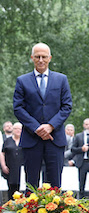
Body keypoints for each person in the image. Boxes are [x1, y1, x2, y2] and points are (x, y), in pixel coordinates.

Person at [13, 42, 72, 188]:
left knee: (55, 185)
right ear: (32, 58)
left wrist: (50, 126)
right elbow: (18, 108)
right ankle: (31, 211)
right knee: (31, 184)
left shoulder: (61, 79)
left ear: (50, 58)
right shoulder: (22, 81)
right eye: (37, 56)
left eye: (44, 57)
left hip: (55, 139)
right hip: (31, 139)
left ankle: (56, 212)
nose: (41, 60)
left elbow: (67, 106)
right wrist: (37, 128)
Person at [0, 122, 24, 199]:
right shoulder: (7, 141)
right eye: (15, 128)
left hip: (22, 169)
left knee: (23, 188)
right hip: (10, 169)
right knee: (11, 189)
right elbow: (2, 153)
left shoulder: (26, 141)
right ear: (13, 130)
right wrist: (3, 165)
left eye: (20, 129)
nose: (18, 130)